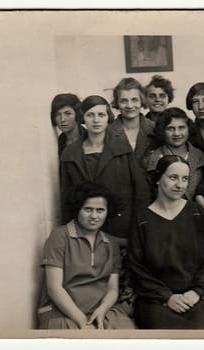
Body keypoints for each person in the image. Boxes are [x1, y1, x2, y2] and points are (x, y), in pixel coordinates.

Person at [60, 95, 152, 314]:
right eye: (90, 115)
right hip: (86, 231)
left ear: (108, 118)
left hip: (120, 228)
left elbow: (141, 191)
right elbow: (65, 198)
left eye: (101, 114)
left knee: (122, 287)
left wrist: (138, 228)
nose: (96, 120)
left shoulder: (121, 149)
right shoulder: (70, 154)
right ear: (83, 118)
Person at [129, 155, 204, 329]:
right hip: (157, 301)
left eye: (185, 179)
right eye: (173, 178)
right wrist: (167, 297)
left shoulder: (197, 214)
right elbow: (137, 267)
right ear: (158, 179)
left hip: (198, 299)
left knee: (201, 333)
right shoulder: (142, 219)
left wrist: (197, 292)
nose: (180, 185)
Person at [37, 182, 136, 329]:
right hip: (62, 312)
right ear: (77, 209)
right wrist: (81, 320)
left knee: (127, 332)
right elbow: (54, 288)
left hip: (99, 310)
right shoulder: (59, 236)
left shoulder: (110, 244)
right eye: (88, 209)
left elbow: (112, 289)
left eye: (100, 210)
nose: (94, 216)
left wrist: (102, 310)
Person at [143, 107, 204, 208]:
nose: (177, 133)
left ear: (188, 129)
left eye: (181, 128)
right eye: (170, 128)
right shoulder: (151, 159)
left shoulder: (200, 157)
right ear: (162, 131)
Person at [108, 77, 157, 165]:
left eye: (134, 100)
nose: (129, 106)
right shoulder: (108, 131)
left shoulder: (154, 128)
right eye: (124, 101)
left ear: (141, 101)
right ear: (117, 103)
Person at [50, 93, 86, 158]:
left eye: (68, 113)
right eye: (58, 114)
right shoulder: (61, 140)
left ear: (77, 114)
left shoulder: (88, 138)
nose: (62, 119)